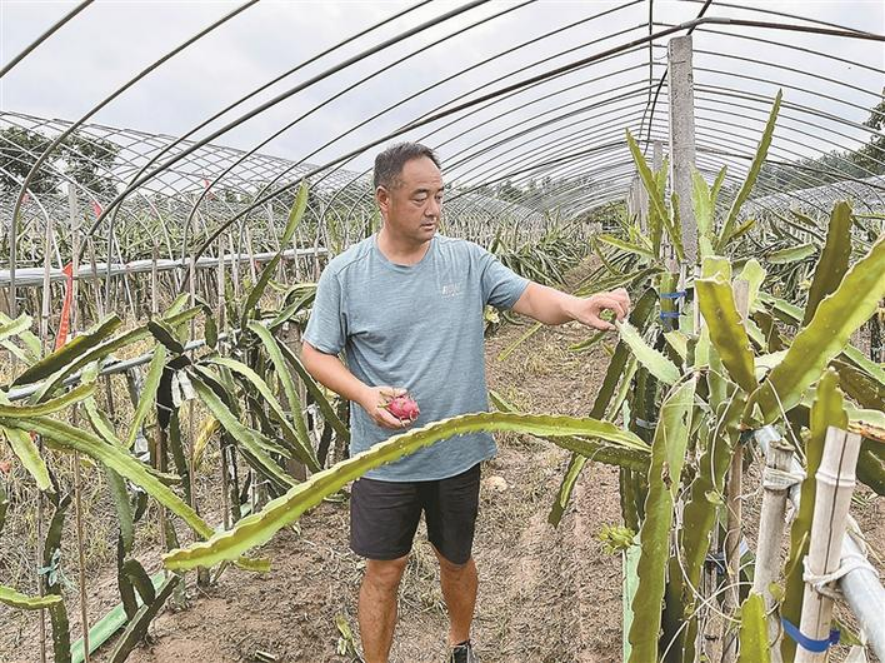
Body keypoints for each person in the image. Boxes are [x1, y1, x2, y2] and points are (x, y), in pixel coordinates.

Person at [301, 143, 631, 663]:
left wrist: (574, 304)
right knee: (384, 569)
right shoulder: (346, 275)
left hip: (456, 451)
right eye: (420, 198)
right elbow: (315, 352)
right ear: (384, 200)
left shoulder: (467, 261)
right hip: (383, 457)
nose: (434, 209)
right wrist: (364, 394)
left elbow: (529, 297)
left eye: (439, 196)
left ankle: (460, 644)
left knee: (455, 559)